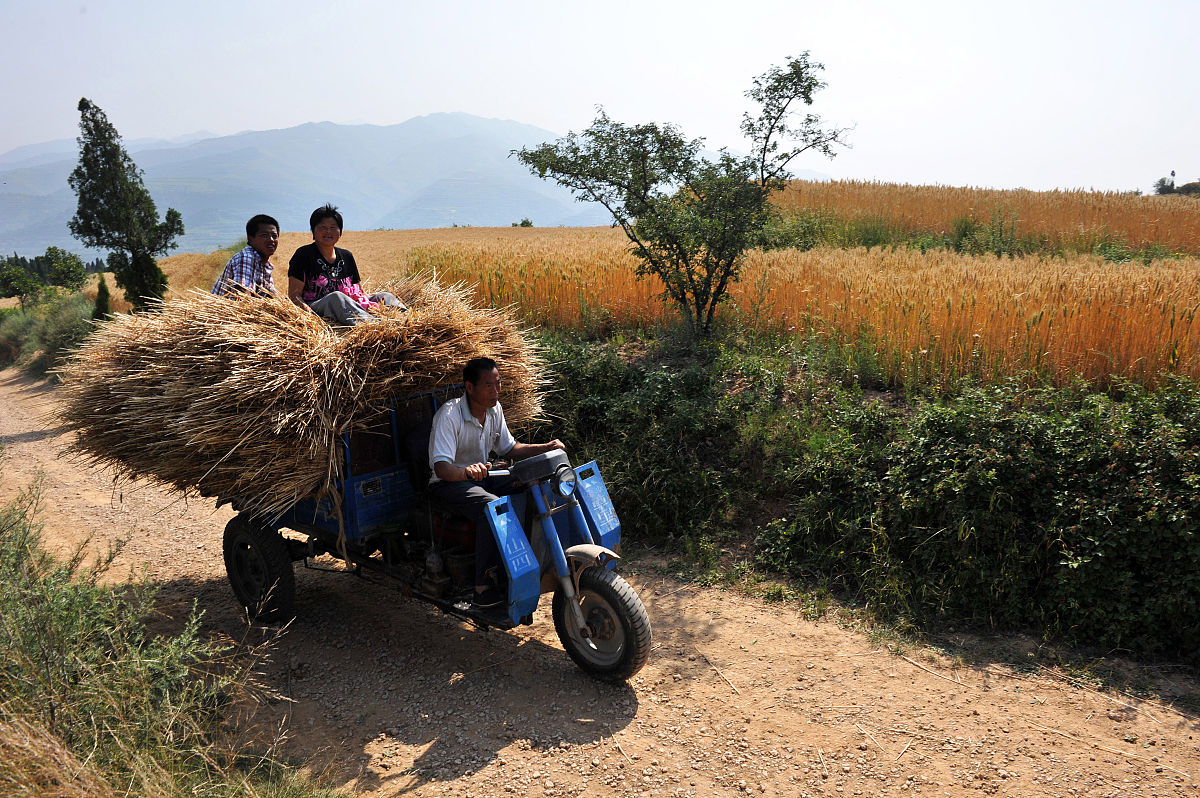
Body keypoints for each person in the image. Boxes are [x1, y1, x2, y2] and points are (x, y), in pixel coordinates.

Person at [428, 357, 566, 608]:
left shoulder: (494, 410)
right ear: (470, 387)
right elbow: (442, 468)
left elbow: (509, 448)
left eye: (498, 383)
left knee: (531, 481)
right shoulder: (449, 415)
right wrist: (466, 472)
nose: (496, 391)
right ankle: (482, 588)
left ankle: (529, 559)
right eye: (488, 385)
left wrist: (546, 447)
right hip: (448, 483)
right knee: (491, 507)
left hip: (482, 477)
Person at [287, 204, 405, 325]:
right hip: (317, 306)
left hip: (349, 303)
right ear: (313, 230)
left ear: (340, 232)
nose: (328, 231)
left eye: (333, 227)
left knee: (385, 296)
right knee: (336, 297)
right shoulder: (303, 255)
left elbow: (359, 290)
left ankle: (406, 321)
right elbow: (294, 295)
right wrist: (308, 315)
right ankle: (373, 326)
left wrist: (369, 300)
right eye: (323, 227)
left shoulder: (346, 256)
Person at [211, 214, 280, 296]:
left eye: (274, 236)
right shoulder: (246, 257)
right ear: (250, 239)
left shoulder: (266, 265)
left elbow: (270, 296)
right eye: (264, 235)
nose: (271, 240)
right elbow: (243, 294)